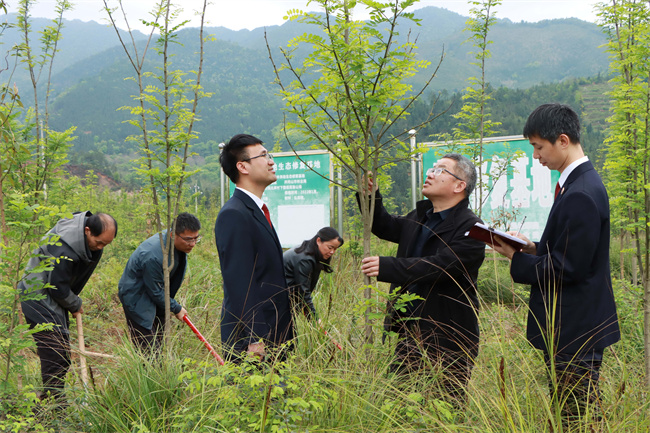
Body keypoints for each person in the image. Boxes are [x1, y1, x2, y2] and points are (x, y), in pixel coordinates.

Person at [492, 103, 620, 425]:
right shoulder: (580, 185)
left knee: (576, 418)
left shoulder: (581, 192)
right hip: (577, 325)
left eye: (538, 146)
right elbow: (573, 252)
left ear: (562, 140)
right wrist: (533, 247)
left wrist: (515, 257)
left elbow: (569, 268)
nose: (536, 156)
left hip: (574, 329)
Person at [360, 154, 486, 406]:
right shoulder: (420, 218)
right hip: (409, 330)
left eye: (441, 170)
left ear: (459, 185)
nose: (430, 173)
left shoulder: (472, 228)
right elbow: (383, 225)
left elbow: (441, 267)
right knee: (398, 405)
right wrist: (370, 195)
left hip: (448, 335)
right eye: (432, 168)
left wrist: (386, 266)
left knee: (444, 409)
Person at [20, 211, 117, 405]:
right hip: (37, 294)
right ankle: (53, 406)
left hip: (53, 294)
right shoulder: (65, 249)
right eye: (99, 243)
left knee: (62, 351)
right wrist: (75, 304)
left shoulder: (83, 236)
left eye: (105, 244)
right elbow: (57, 287)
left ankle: (51, 400)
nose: (100, 248)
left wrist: (71, 301)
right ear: (87, 230)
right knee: (55, 352)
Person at [215, 133, 294, 362]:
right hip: (254, 343)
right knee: (253, 398)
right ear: (242, 167)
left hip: (274, 334)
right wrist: (255, 338)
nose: (271, 161)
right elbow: (240, 282)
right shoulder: (234, 214)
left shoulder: (254, 210)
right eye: (263, 156)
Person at [118, 212, 200, 355]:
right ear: (173, 234)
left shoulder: (177, 245)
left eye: (196, 239)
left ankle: (160, 369)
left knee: (159, 339)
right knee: (148, 348)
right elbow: (155, 291)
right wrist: (177, 308)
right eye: (188, 239)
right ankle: (147, 374)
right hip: (137, 297)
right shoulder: (153, 255)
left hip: (155, 295)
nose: (192, 244)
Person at [284, 227, 344, 322]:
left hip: (286, 303)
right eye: (330, 247)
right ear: (318, 241)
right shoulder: (304, 259)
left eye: (335, 249)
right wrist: (315, 320)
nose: (332, 252)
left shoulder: (312, 252)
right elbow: (303, 293)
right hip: (278, 303)